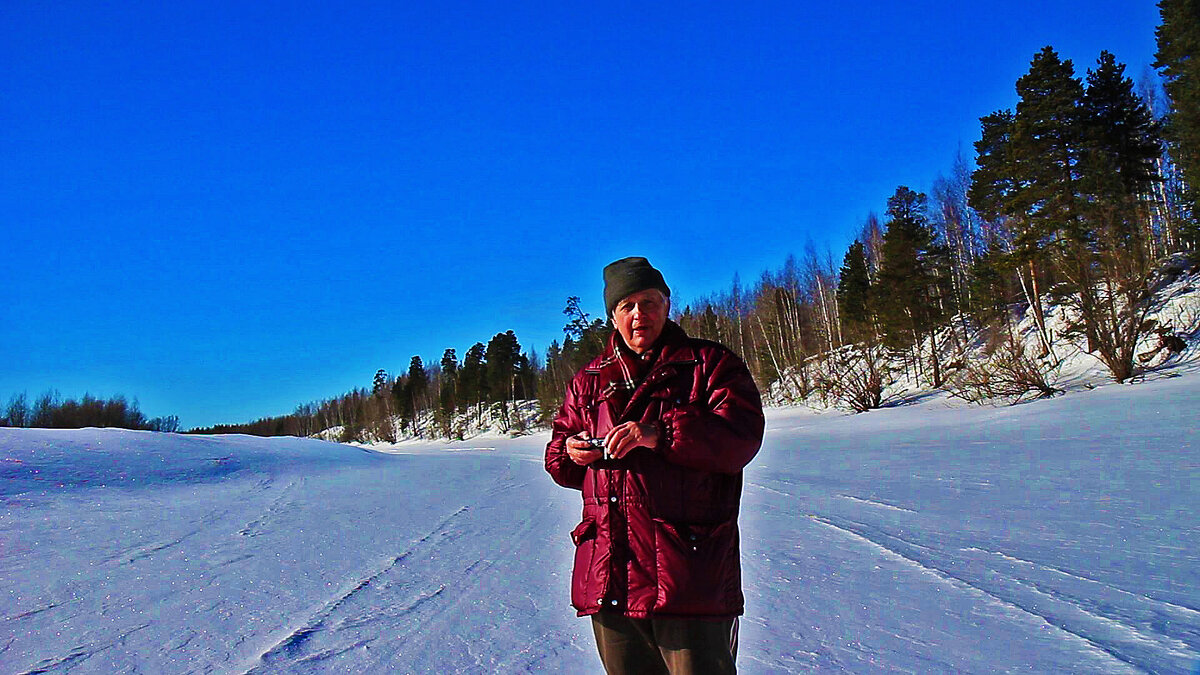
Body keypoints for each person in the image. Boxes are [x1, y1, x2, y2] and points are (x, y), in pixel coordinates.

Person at [545, 256, 765, 675]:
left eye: (648, 302)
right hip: (610, 573)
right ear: (613, 316)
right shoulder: (588, 381)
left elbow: (741, 438)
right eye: (626, 306)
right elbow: (557, 456)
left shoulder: (709, 365)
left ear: (667, 305)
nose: (638, 314)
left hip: (688, 575)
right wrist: (571, 452)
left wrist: (660, 434)